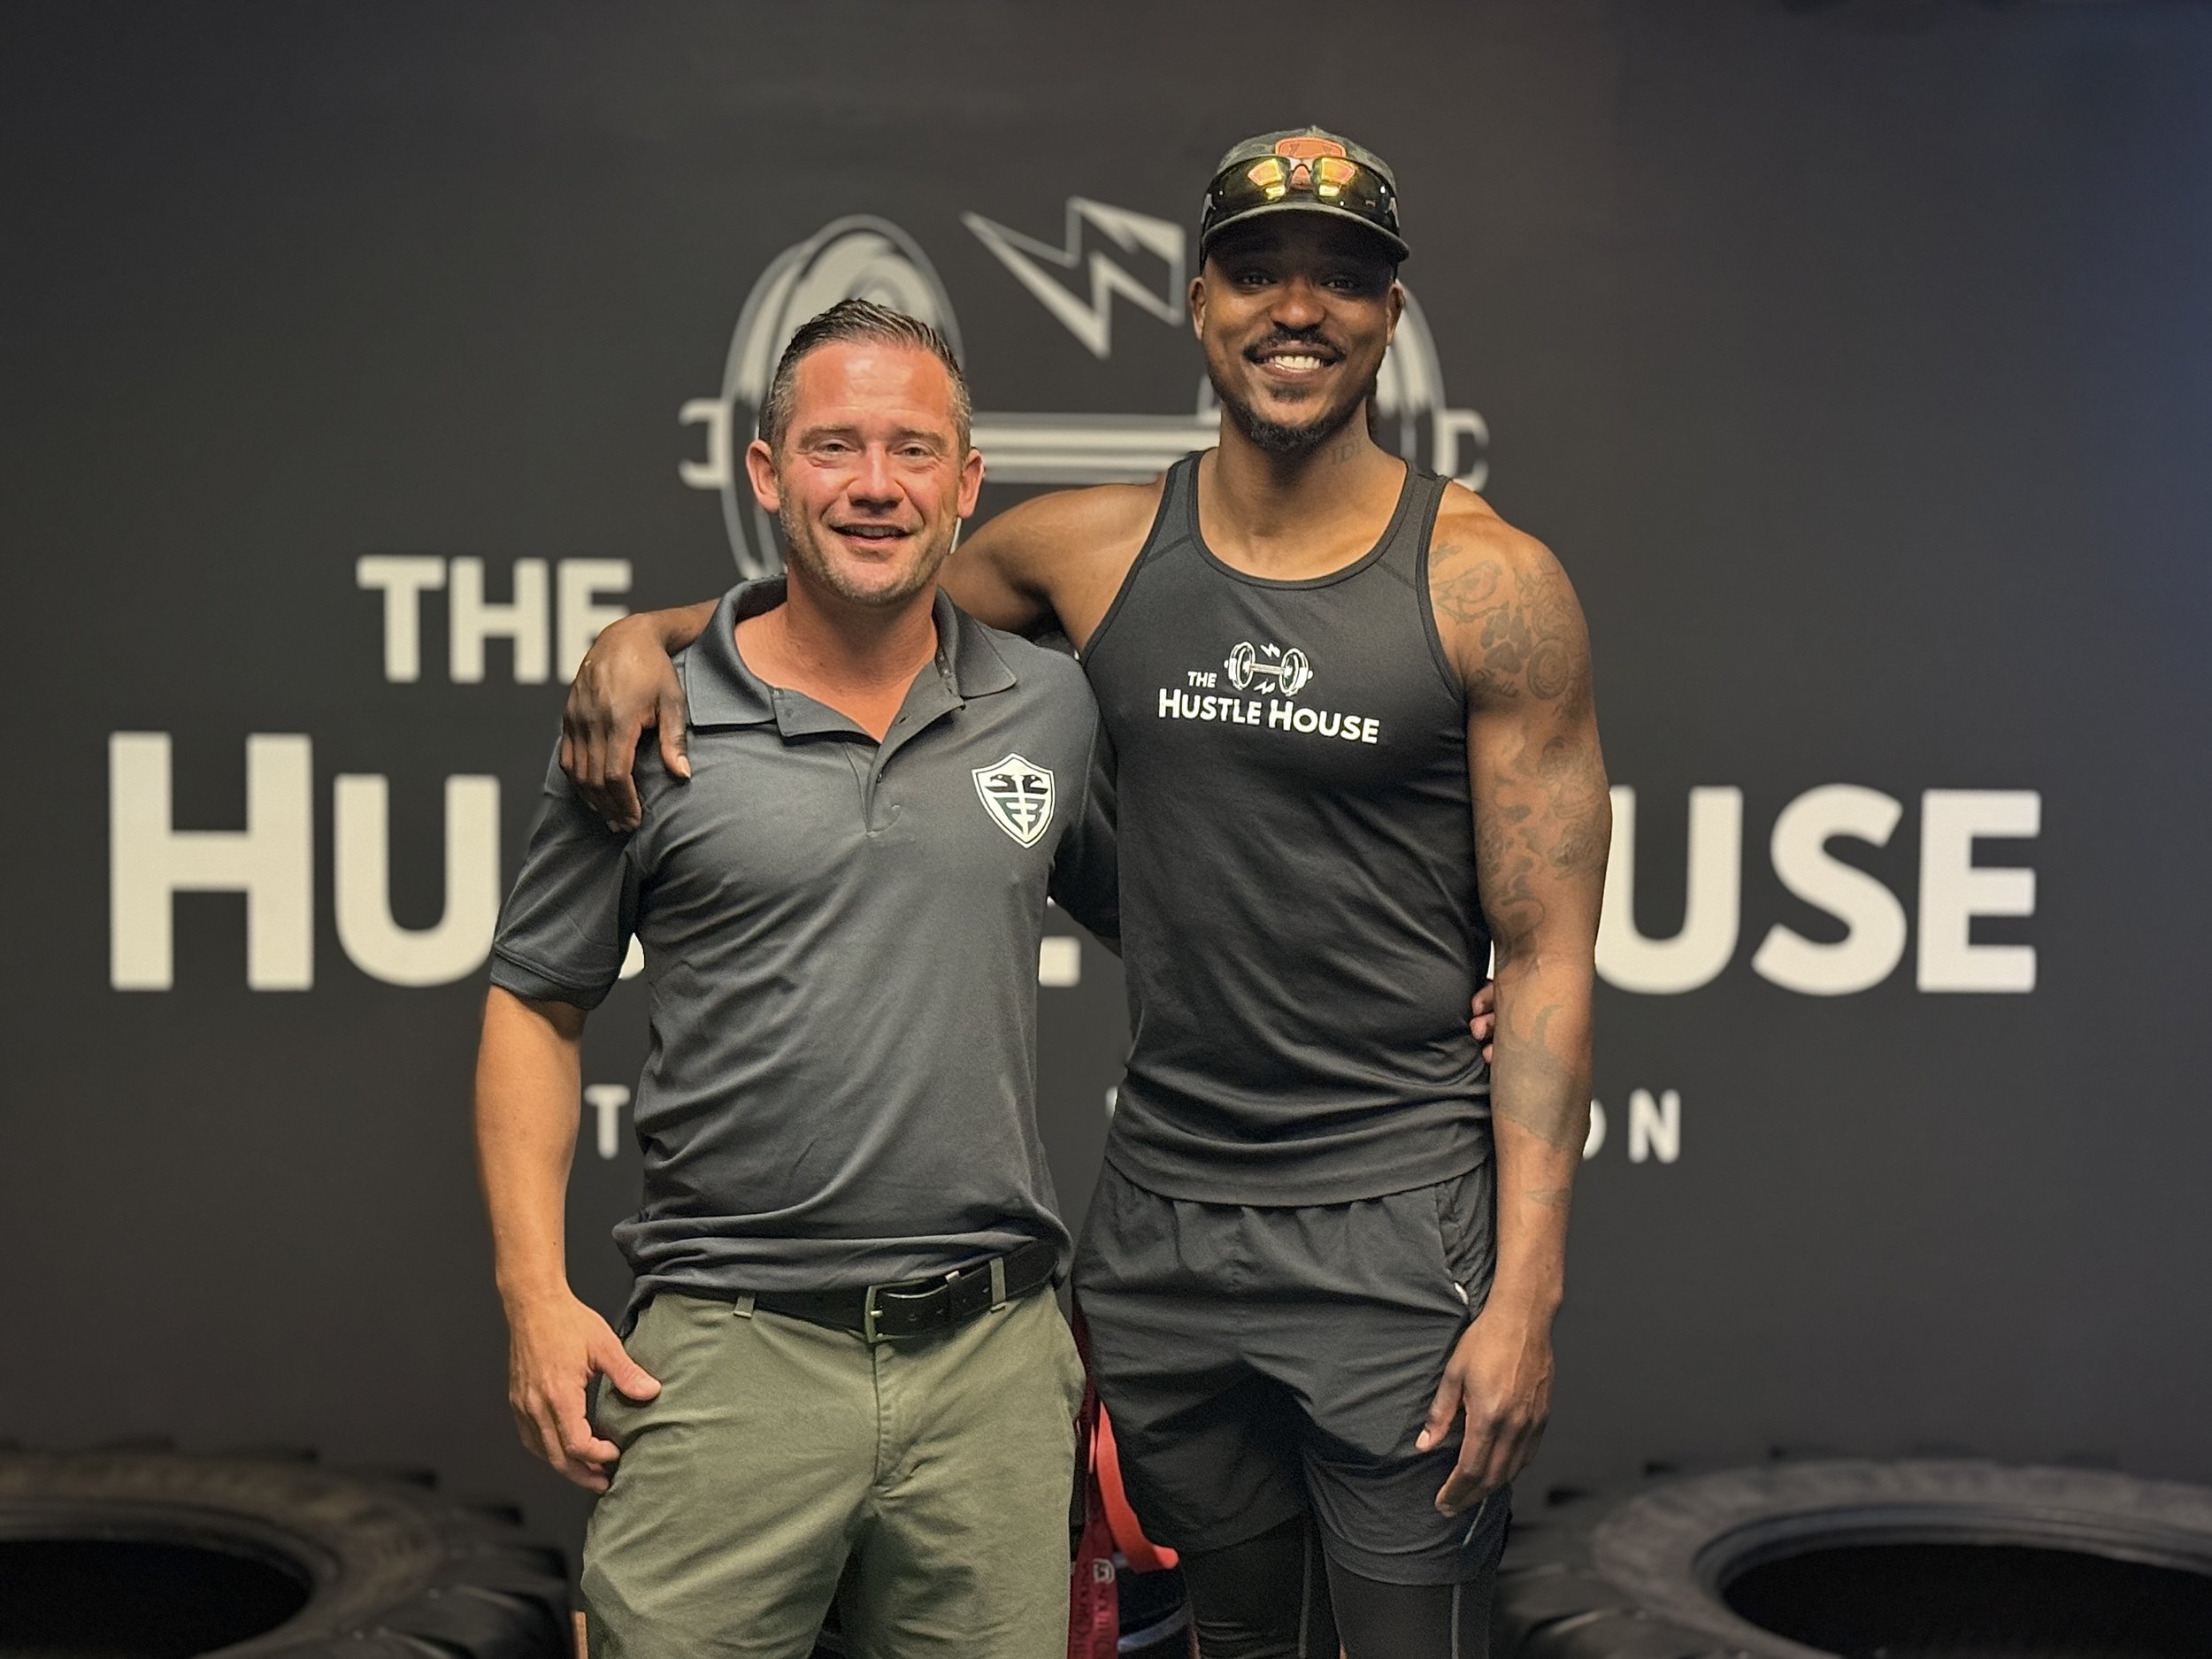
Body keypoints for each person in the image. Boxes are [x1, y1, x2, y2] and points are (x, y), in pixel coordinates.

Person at [564, 127, 1609, 1659]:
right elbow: (851, 602)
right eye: (1257, 273)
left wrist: (1527, 1302)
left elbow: (1553, 959)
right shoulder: (1088, 552)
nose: (1296, 308)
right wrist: (644, 634)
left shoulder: (1492, 584)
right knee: (1230, 1644)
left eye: (1340, 279)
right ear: (1200, 304)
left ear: (1390, 316)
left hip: (1400, 1230)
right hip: (1167, 1227)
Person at [473, 299, 1120, 1658]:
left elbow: (1199, 930)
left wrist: (1438, 991)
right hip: (726, 1360)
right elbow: (536, 1002)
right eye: (835, 447)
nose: (876, 484)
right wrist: (534, 1299)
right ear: (767, 474)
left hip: (992, 1370)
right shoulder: (645, 718)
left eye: (913, 449)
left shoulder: (1051, 708)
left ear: (966, 482)